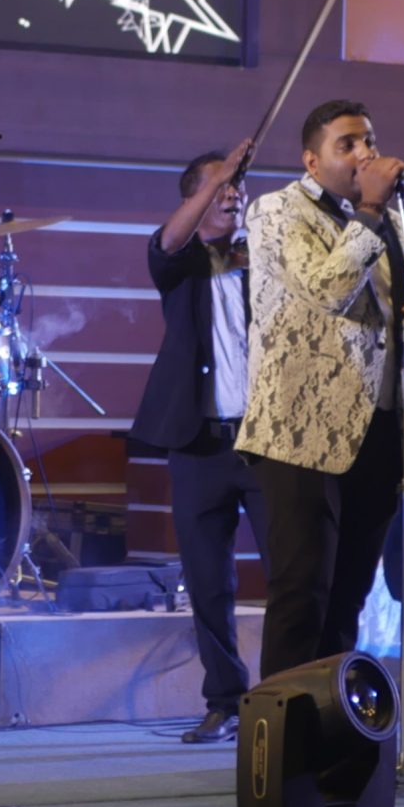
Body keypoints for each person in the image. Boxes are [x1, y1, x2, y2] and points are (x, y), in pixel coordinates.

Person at [237, 99, 404, 681]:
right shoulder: (276, 210)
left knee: (348, 597)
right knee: (302, 592)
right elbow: (326, 288)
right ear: (311, 160)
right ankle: (280, 754)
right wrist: (372, 210)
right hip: (299, 431)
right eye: (347, 144)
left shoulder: (398, 225)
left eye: (369, 141)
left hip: (379, 427)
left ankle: (334, 742)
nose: (365, 153)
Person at [132, 139, 270, 744]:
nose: (232, 197)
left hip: (265, 442)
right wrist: (215, 177)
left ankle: (290, 696)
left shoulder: (262, 260)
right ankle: (226, 699)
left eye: (236, 191)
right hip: (198, 445)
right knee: (209, 581)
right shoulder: (178, 262)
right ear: (193, 199)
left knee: (290, 573)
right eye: (218, 191)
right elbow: (168, 242)